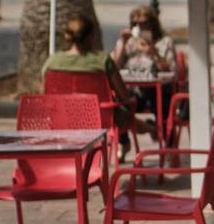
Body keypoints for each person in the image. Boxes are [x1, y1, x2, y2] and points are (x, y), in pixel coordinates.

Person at [42, 14, 147, 159]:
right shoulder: (102, 61)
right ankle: (149, 128)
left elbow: (46, 94)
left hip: (62, 117)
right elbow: (124, 95)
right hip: (100, 119)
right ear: (91, 36)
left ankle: (146, 127)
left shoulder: (52, 62)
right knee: (125, 111)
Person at [111, 6, 176, 139]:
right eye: (135, 24)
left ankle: (163, 136)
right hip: (133, 90)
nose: (139, 27)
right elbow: (114, 68)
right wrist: (123, 43)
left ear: (152, 23)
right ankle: (125, 141)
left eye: (143, 23)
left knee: (162, 96)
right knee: (118, 101)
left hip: (157, 89)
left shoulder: (164, 42)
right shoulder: (128, 42)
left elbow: (170, 71)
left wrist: (153, 53)